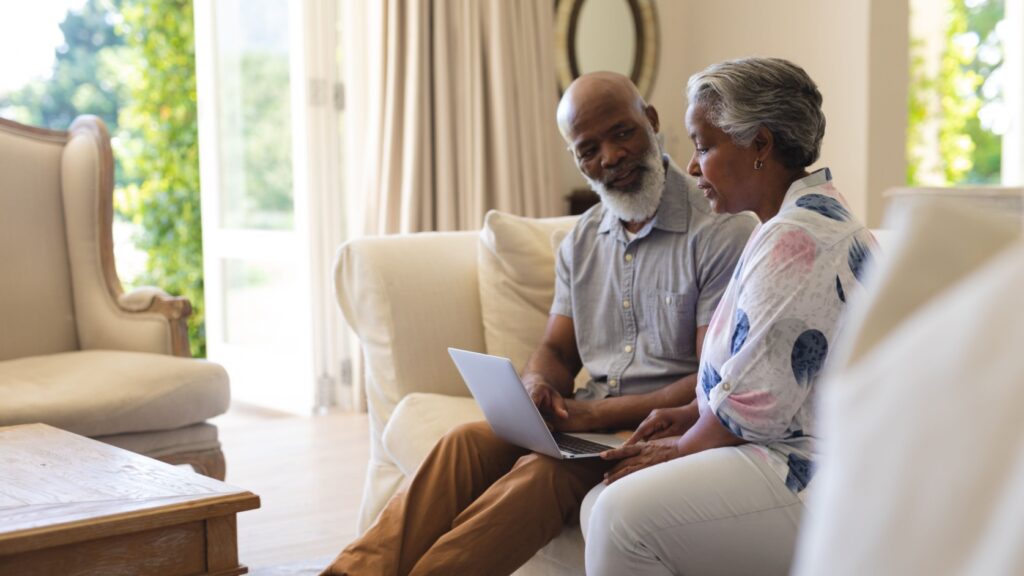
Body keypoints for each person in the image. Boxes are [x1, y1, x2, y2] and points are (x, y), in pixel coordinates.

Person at [321, 71, 757, 576]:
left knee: (543, 473)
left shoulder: (719, 230)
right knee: (462, 444)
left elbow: (711, 379)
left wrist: (592, 417)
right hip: (587, 423)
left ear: (652, 122)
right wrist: (536, 385)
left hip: (655, 431)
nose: (610, 158)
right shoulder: (582, 239)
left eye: (621, 133)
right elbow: (556, 349)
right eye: (588, 148)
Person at [584, 57, 878, 576]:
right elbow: (758, 372)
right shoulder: (793, 220)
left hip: (813, 471)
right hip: (785, 450)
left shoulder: (798, 238)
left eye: (703, 145)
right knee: (602, 504)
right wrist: (695, 416)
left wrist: (683, 445)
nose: (692, 166)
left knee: (617, 517)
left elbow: (756, 406)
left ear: (760, 145)